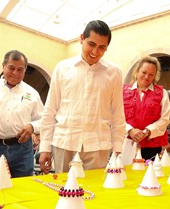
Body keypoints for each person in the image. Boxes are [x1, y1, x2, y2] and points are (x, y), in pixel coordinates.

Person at [39, 20, 126, 174]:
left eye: (102, 48)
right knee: (63, 192)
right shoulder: (62, 68)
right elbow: (50, 109)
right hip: (65, 142)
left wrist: (118, 148)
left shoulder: (114, 72)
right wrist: (45, 146)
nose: (95, 52)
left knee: (94, 193)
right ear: (81, 39)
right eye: (91, 44)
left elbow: (117, 113)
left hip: (98, 146)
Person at [0, 50, 43, 177]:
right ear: (3, 66)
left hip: (22, 150)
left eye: (20, 69)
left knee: (24, 190)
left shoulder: (32, 93)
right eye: (11, 68)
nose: (15, 73)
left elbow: (44, 119)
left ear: (25, 70)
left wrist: (32, 126)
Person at [123, 56, 170, 161]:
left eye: (151, 74)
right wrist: (130, 130)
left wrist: (147, 132)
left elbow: (165, 119)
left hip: (152, 146)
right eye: (144, 72)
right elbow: (116, 115)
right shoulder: (123, 91)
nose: (146, 77)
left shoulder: (162, 93)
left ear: (155, 76)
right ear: (137, 72)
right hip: (126, 143)